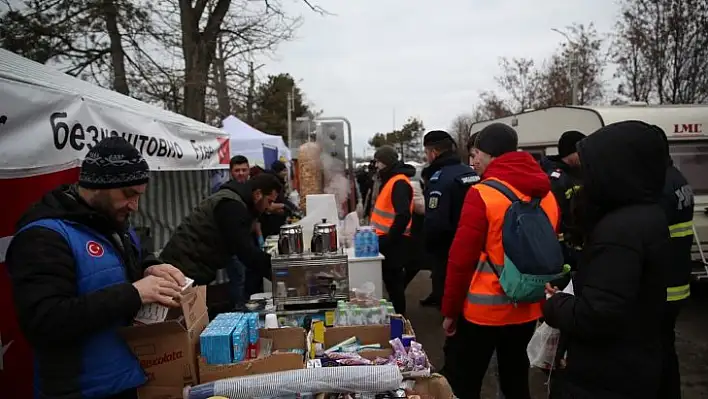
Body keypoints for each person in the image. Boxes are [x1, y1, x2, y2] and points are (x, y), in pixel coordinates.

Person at [6, 136, 187, 399]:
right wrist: (134, 294)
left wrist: (150, 267)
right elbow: (45, 321)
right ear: (98, 186)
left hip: (126, 378)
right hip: (78, 390)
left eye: (139, 196)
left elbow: (132, 259)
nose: (134, 206)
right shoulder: (43, 237)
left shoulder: (115, 223)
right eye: (128, 194)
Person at [542, 121, 670, 399]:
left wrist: (554, 305)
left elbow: (596, 316)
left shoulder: (620, 230)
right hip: (631, 364)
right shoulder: (648, 213)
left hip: (604, 377)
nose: (585, 179)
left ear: (615, 172)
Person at [442, 123, 558, 399]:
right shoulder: (547, 195)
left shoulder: (482, 194)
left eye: (476, 153)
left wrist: (450, 310)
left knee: (463, 382)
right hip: (527, 306)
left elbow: (461, 260)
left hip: (482, 312)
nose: (473, 161)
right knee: (516, 380)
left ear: (492, 155)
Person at [160, 174, 282, 294]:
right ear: (258, 194)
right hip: (184, 264)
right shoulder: (232, 205)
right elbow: (245, 250)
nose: (269, 207)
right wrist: (278, 273)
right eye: (269, 201)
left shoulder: (238, 201)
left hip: (193, 263)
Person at [655, 126, 694, 399]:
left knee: (657, 351)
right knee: (666, 348)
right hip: (677, 281)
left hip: (663, 286)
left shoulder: (660, 186)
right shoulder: (679, 179)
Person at [420, 130, 479, 308]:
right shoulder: (469, 172)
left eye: (426, 153)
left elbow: (436, 221)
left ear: (433, 153)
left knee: (447, 292)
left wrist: (428, 247)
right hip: (472, 240)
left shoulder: (440, 178)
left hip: (448, 247)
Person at [370, 145, 415, 315]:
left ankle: (399, 321)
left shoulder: (399, 182)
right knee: (392, 284)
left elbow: (403, 215)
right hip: (388, 240)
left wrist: (389, 239)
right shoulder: (391, 181)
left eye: (379, 162)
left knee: (395, 285)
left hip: (394, 242)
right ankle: (396, 317)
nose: (377, 166)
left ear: (386, 163)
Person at [540, 130, 586, 269]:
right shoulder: (556, 180)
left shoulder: (581, 173)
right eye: (580, 152)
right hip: (564, 246)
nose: (584, 156)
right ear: (570, 153)